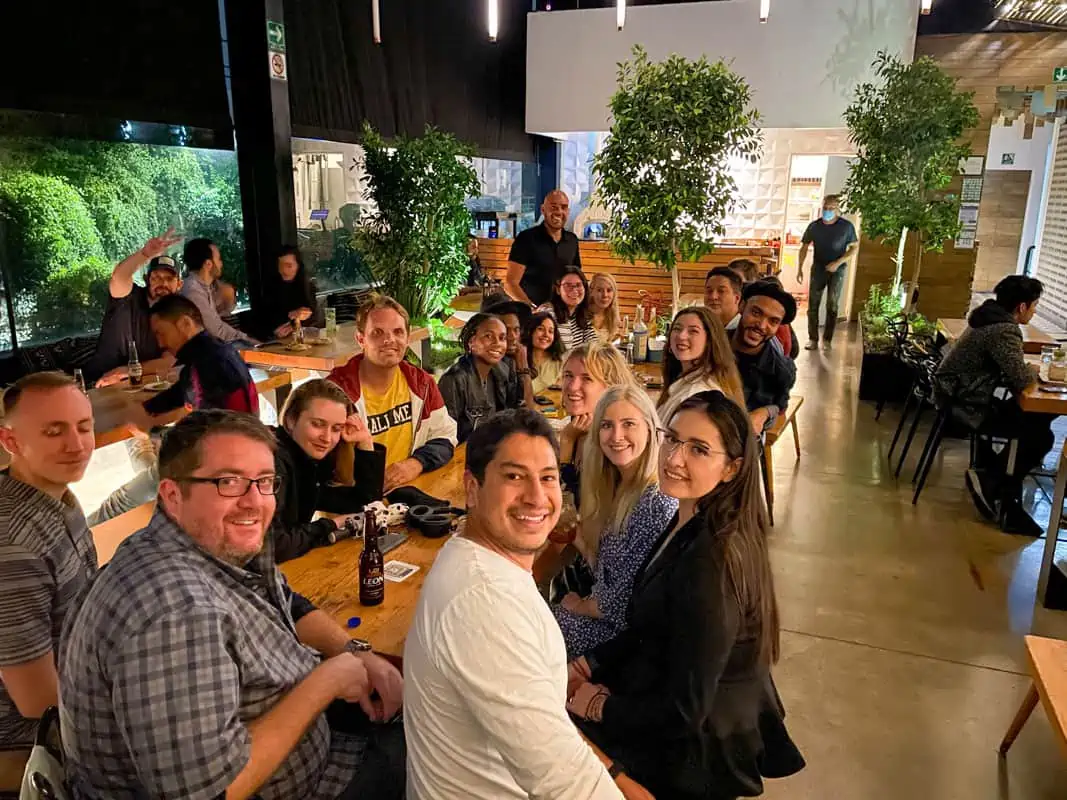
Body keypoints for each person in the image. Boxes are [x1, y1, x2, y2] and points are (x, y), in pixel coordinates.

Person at [59, 410, 405, 799]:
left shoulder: (209, 542)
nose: (254, 502)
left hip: (311, 747)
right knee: (438, 752)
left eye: (265, 482)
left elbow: (284, 601)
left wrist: (354, 651)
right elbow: (208, 792)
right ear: (173, 495)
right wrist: (325, 682)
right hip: (311, 784)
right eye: (229, 482)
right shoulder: (176, 613)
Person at [567, 391, 805, 798]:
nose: (674, 458)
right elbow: (647, 626)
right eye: (672, 439)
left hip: (696, 750)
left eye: (698, 449)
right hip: (664, 692)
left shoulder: (712, 563)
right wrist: (589, 662)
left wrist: (598, 706)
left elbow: (684, 710)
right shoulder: (691, 516)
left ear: (732, 468)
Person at [403, 408, 644, 799]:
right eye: (514, 476)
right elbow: (563, 783)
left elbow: (547, 733)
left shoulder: (481, 564)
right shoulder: (483, 602)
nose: (536, 496)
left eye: (547, 477)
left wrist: (614, 774)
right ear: (472, 487)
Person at [0, 373, 96, 749]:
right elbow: (40, 705)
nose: (77, 445)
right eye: (54, 432)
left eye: (84, 427)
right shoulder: (13, 548)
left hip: (81, 676)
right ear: (11, 441)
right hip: (28, 737)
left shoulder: (54, 497)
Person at [553, 386, 677, 658]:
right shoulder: (619, 487)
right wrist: (579, 539)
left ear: (649, 429)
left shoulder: (655, 502)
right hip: (608, 617)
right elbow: (613, 571)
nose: (617, 436)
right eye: (607, 425)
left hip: (623, 642)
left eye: (628, 424)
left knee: (527, 629)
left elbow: (620, 606)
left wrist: (578, 606)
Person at [936, 275, 1051, 534]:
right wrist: (1032, 370)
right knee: (1040, 437)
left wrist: (1024, 370)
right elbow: (1021, 379)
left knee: (1038, 425)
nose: (1034, 312)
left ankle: (993, 477)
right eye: (1034, 306)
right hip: (965, 404)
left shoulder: (988, 317)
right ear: (1021, 306)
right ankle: (992, 479)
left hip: (955, 394)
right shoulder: (1003, 329)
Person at [327, 295, 457, 493]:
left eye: (398, 332)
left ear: (407, 337)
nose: (389, 340)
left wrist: (415, 463)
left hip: (404, 495)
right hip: (352, 505)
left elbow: (446, 435)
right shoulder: (335, 393)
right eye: (377, 332)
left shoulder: (421, 383)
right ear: (360, 339)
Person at [271, 379, 386, 562]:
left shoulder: (308, 461)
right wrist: (332, 524)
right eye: (317, 424)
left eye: (336, 428)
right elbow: (277, 545)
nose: (327, 438)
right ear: (291, 420)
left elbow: (366, 502)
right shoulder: (272, 462)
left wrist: (365, 441)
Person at [86, 228, 183, 383]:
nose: (163, 283)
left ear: (179, 284)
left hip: (142, 384)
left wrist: (127, 371)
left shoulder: (175, 317)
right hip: (100, 382)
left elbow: (168, 361)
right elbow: (119, 277)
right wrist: (145, 254)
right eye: (156, 277)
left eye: (169, 278)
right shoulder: (129, 297)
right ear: (146, 279)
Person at [143, 294, 259, 418]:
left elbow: (207, 424)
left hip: (233, 434)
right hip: (249, 432)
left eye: (161, 333)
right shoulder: (218, 350)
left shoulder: (205, 362)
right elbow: (180, 392)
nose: (160, 343)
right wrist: (149, 407)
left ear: (185, 324)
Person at [558, 343, 641, 500]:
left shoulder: (616, 441)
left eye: (587, 378)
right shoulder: (580, 426)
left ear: (610, 386)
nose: (572, 386)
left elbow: (573, 502)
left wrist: (567, 442)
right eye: (568, 375)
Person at [438, 314, 523, 443]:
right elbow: (445, 436)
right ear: (471, 341)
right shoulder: (454, 380)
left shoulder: (503, 372)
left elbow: (515, 413)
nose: (497, 343)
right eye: (488, 336)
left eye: (502, 338)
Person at [658, 306, 745, 423]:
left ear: (710, 341)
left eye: (693, 331)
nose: (681, 336)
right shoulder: (682, 380)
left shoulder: (697, 395)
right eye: (677, 329)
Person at [731, 280, 797, 433]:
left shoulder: (781, 369)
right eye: (756, 313)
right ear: (741, 306)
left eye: (773, 321)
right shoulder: (710, 347)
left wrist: (764, 413)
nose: (761, 325)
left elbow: (780, 405)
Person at [798, 195, 858, 352]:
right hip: (818, 268)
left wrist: (837, 263)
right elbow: (804, 247)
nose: (828, 211)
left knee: (832, 304)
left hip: (837, 270)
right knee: (813, 304)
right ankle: (812, 338)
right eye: (825, 208)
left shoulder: (846, 227)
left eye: (831, 208)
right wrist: (799, 267)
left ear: (838, 209)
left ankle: (827, 339)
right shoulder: (814, 227)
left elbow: (853, 248)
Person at [505, 190, 582, 307]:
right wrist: (532, 309)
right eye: (553, 207)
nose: (559, 211)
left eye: (564, 207)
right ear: (543, 209)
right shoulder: (526, 238)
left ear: (568, 211)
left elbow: (577, 279)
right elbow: (510, 284)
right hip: (532, 316)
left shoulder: (572, 240)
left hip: (563, 313)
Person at [179, 237, 259, 346]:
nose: (221, 264)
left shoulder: (204, 287)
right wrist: (250, 341)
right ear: (208, 264)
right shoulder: (193, 291)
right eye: (219, 259)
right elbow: (217, 330)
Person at [256, 245, 326, 341]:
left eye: (289, 266)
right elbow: (264, 317)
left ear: (298, 266)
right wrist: (288, 318)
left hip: (303, 338)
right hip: (274, 340)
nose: (284, 271)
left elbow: (313, 316)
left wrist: (298, 321)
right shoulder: (269, 287)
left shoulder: (307, 286)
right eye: (281, 266)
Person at [538, 266, 598, 350]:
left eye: (578, 285)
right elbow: (562, 353)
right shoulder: (548, 313)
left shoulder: (581, 315)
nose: (574, 290)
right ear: (558, 290)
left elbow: (594, 346)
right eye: (567, 285)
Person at [524, 311, 565, 395]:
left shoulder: (559, 361)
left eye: (550, 331)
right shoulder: (519, 359)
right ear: (530, 331)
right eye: (540, 329)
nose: (546, 335)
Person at [704, 266, 743, 332]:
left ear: (737, 298)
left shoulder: (745, 331)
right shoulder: (701, 328)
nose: (713, 297)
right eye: (709, 291)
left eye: (721, 291)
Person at [589, 273, 622, 343]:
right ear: (591, 291)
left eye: (609, 290)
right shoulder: (582, 315)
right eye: (599, 290)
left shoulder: (612, 316)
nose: (605, 295)